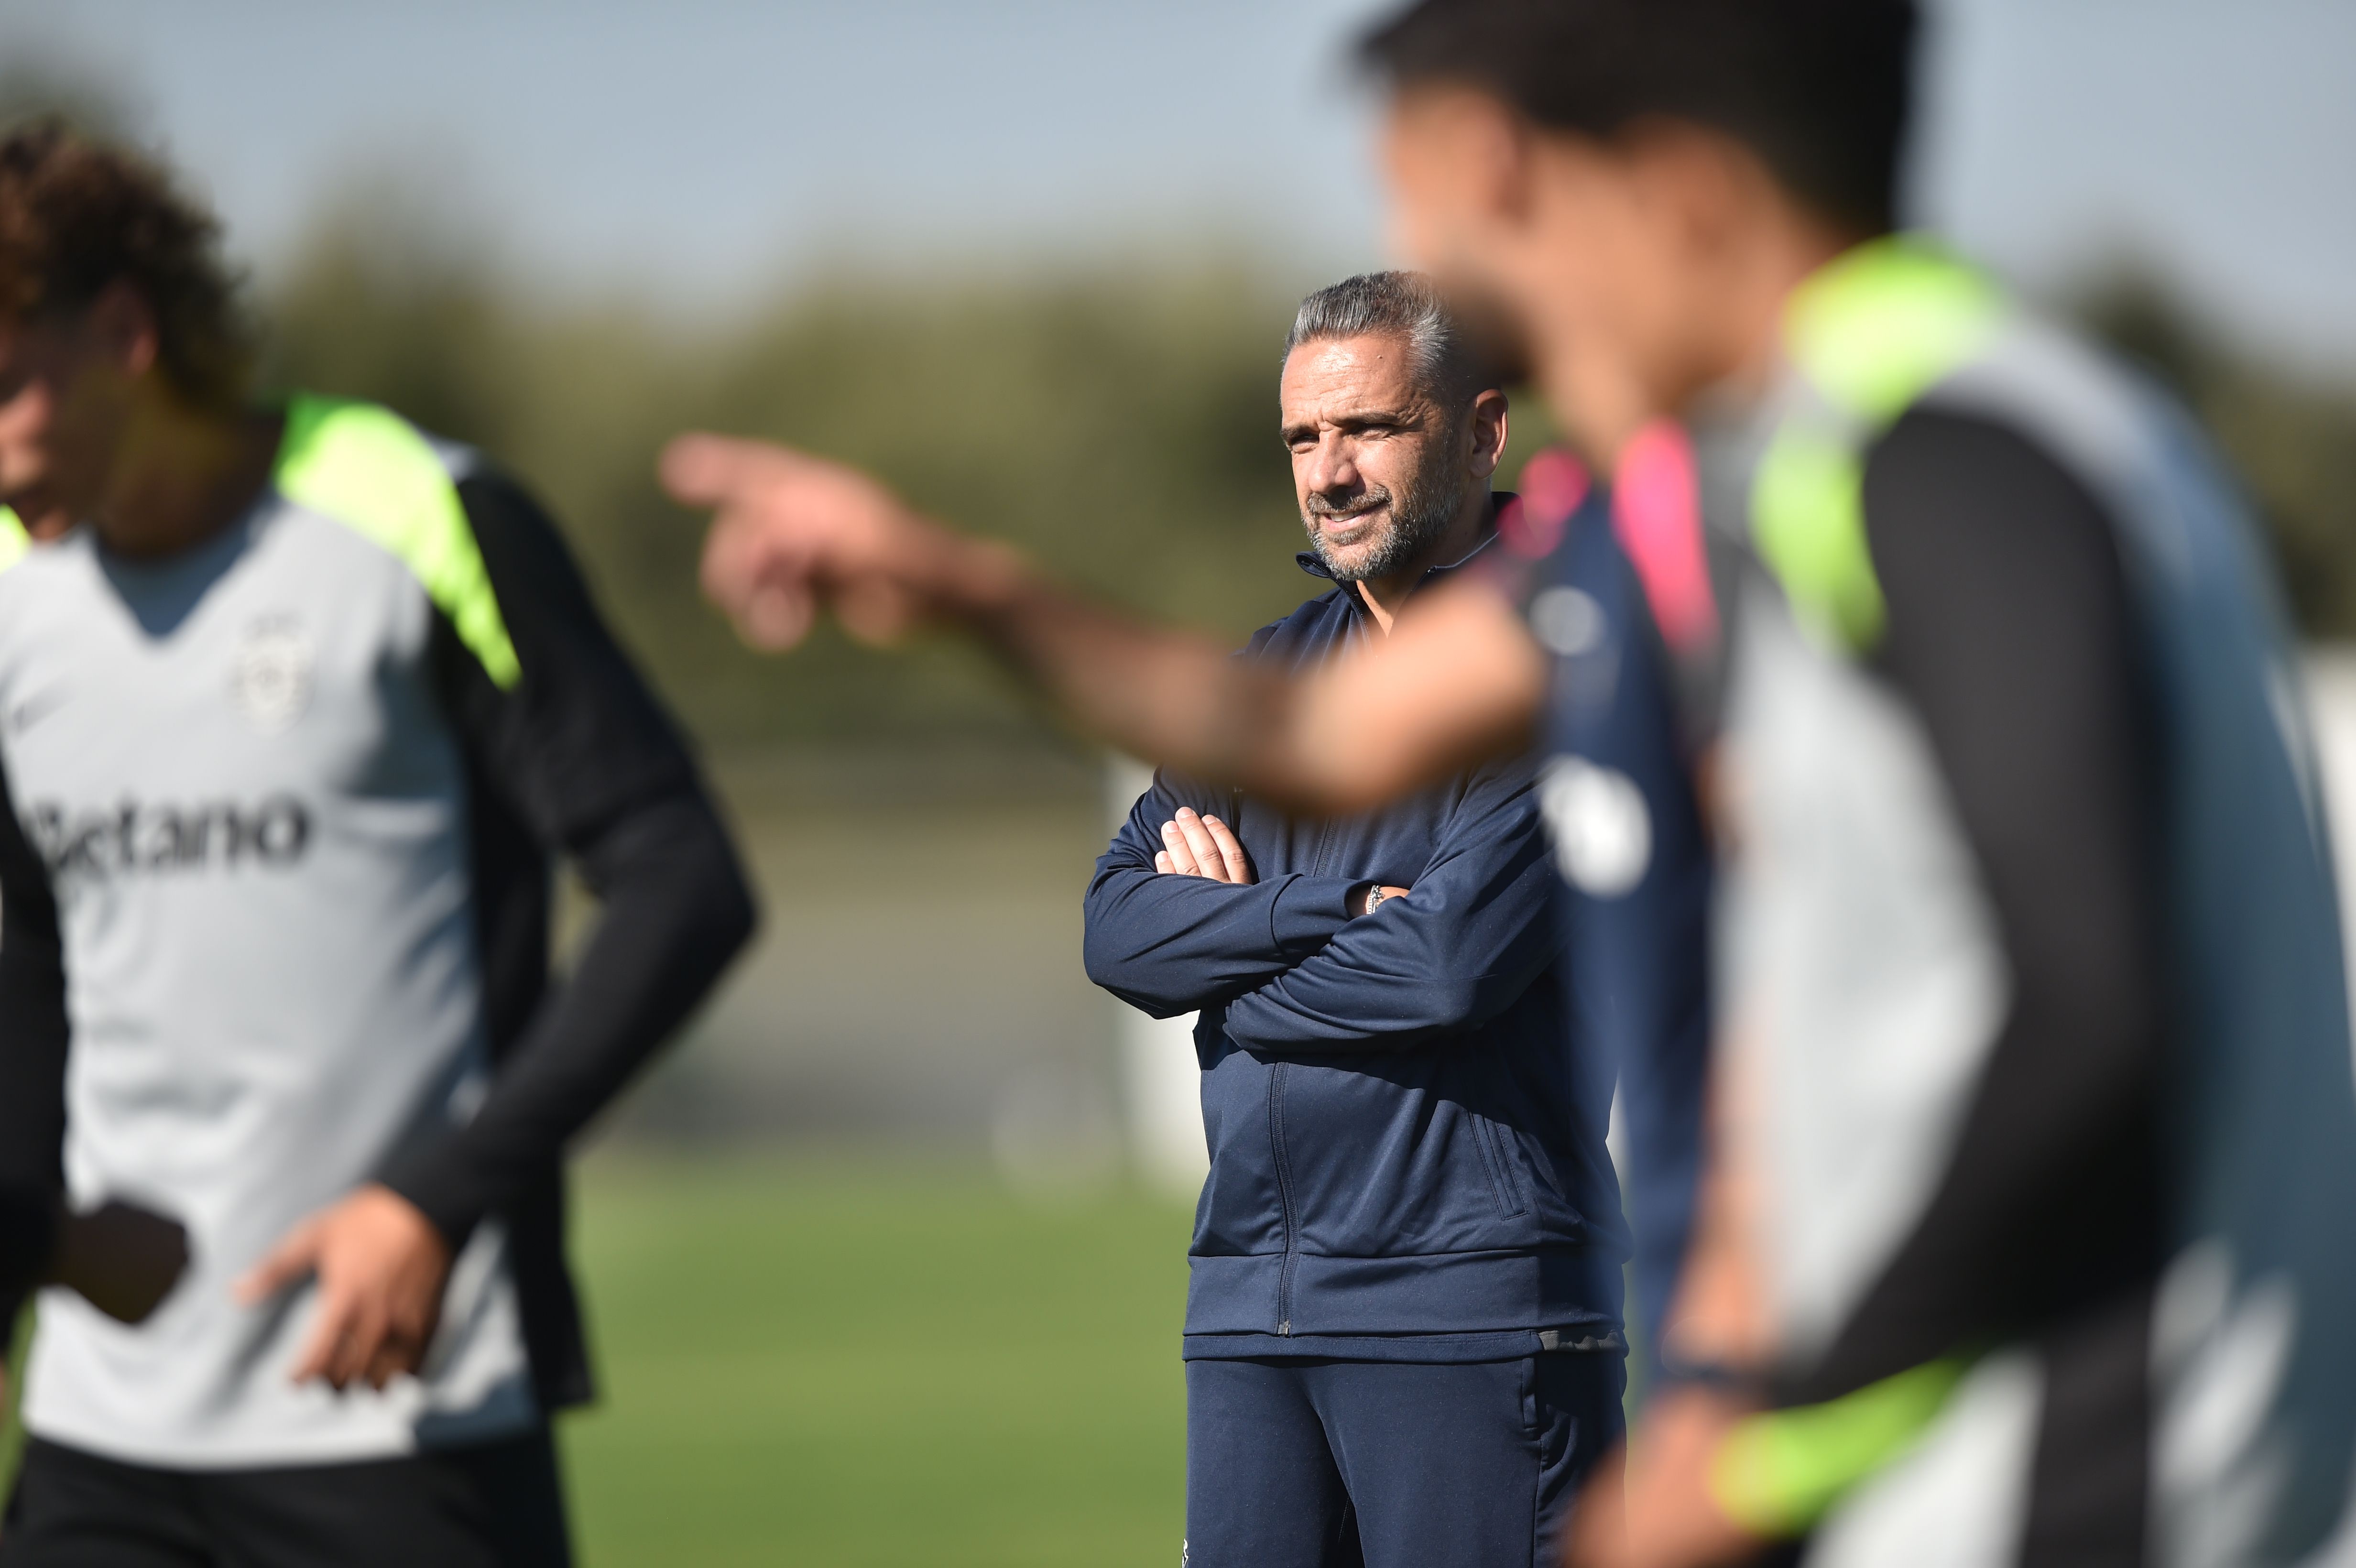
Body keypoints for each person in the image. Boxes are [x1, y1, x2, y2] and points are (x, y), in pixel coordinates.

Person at [665, 2, 2356, 1565]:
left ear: (1678, 187)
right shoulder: (1730, 492)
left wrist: (1753, 1441)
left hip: (2063, 1470)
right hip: (1896, 1448)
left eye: (1496, 227)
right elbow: (1325, 744)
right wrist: (963, 593)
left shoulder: (1953, 462)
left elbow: (2088, 1008)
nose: (1496, 315)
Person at [0, 121, 756, 1567]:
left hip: (401, 1412)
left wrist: (439, 1198)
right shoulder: (13, 588)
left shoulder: (412, 515)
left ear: (124, 328)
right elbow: (38, 949)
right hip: (103, 1437)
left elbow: (681, 879)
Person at [1087, 271, 1627, 1567]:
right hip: (1246, 1314)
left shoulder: (1554, 661)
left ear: (1484, 430)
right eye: (1302, 439)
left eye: (1370, 429)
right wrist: (1325, 911)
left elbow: (1447, 968)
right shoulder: (1262, 683)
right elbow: (1115, 931)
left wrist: (1222, 966)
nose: (1329, 472)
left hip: (1476, 1310)